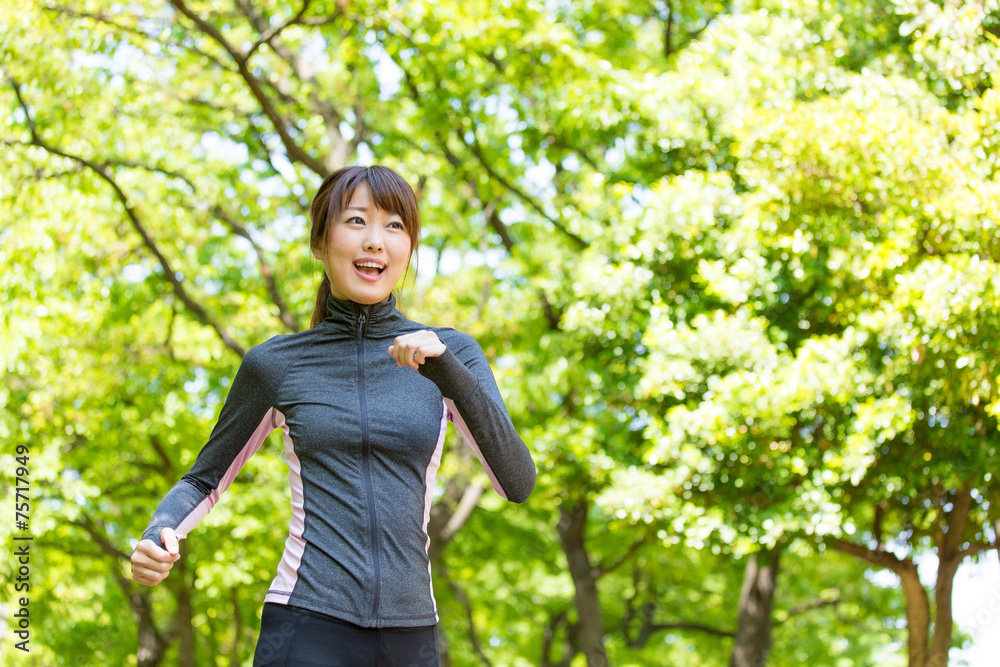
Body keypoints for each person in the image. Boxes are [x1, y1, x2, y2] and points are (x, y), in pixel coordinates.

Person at [130, 165, 536, 666]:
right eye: (356, 221)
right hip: (304, 628)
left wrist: (449, 374)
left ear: (409, 248)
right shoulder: (277, 364)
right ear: (320, 242)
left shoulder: (451, 355)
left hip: (412, 638)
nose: (374, 241)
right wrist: (158, 532)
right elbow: (203, 480)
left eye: (394, 226)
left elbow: (517, 481)